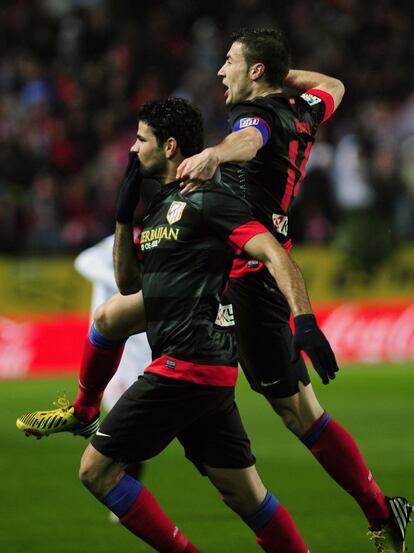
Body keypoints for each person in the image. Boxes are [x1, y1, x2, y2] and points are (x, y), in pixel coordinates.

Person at [17, 28, 411, 552]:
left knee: (298, 413)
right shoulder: (305, 109)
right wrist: (278, 77)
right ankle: (85, 410)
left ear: (254, 73)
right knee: (112, 315)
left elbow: (247, 140)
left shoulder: (257, 119)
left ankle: (383, 512)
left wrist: (217, 157)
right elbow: (334, 84)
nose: (219, 71)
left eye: (230, 62)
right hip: (223, 260)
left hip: (246, 277)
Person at [79, 97, 329, 552]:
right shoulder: (159, 209)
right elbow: (129, 282)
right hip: (204, 377)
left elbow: (272, 251)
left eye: (140, 140)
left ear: (169, 146)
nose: (133, 150)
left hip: (185, 366)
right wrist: (123, 215)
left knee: (95, 471)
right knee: (247, 496)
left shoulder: (210, 198)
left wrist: (305, 320)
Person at [74, 234, 151, 415]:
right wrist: (121, 282)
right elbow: (84, 261)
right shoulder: (121, 239)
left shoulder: (159, 239)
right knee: (119, 408)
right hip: (113, 339)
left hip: (143, 338)